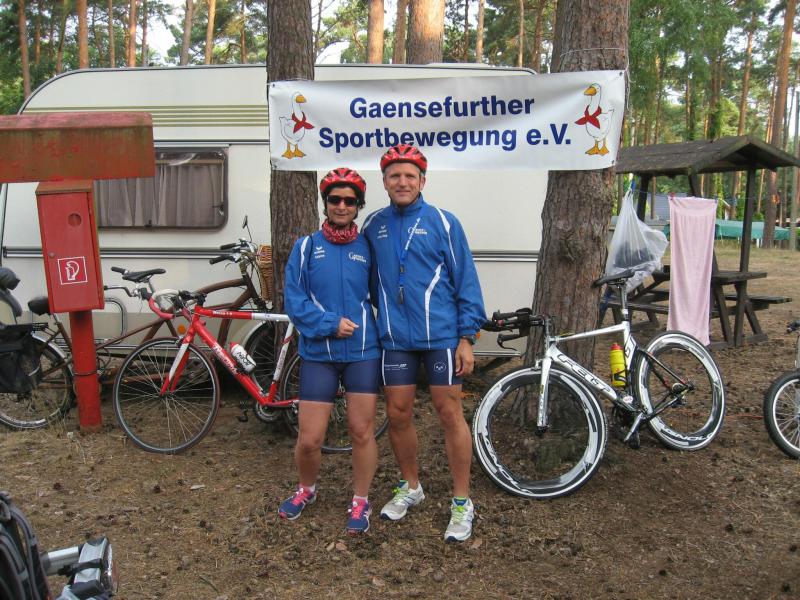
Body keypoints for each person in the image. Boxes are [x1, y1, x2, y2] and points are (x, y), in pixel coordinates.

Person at [362, 144, 486, 542]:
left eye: (409, 176)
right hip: (395, 338)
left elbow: (466, 280)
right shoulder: (373, 225)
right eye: (394, 176)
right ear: (384, 182)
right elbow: (366, 281)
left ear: (422, 181)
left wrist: (467, 337)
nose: (402, 182)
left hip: (442, 337)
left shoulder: (444, 222)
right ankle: (411, 486)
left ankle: (462, 501)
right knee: (397, 414)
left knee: (449, 413)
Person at [279, 167, 380, 535]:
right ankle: (306, 489)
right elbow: (294, 299)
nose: (341, 206)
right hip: (319, 352)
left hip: (363, 351)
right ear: (325, 203)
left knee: (361, 431)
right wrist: (329, 324)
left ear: (358, 206)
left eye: (349, 201)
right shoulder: (306, 247)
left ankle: (361, 500)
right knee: (310, 438)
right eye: (334, 199)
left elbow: (382, 295)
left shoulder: (368, 247)